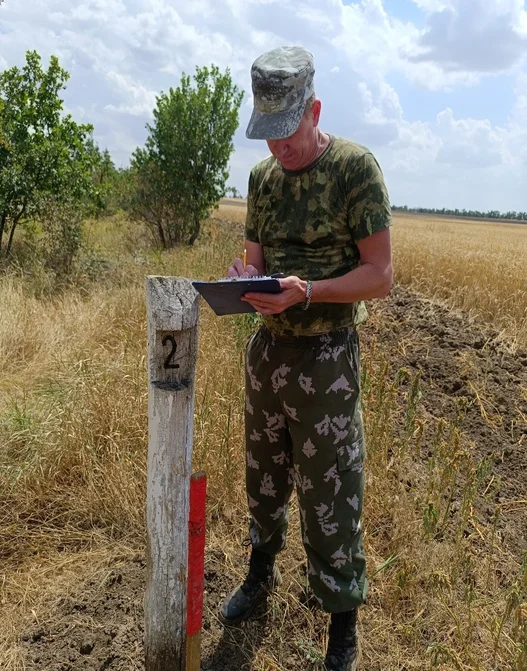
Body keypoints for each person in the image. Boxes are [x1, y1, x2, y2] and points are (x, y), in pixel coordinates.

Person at [220, 45, 393, 671]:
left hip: (326, 359)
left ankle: (341, 622)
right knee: (263, 479)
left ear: (314, 111)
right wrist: (245, 282)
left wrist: (309, 291)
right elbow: (256, 262)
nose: (278, 148)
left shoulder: (354, 170)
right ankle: (260, 574)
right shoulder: (262, 179)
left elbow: (380, 275)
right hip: (268, 353)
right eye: (267, 134)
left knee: (332, 492)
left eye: (287, 132)